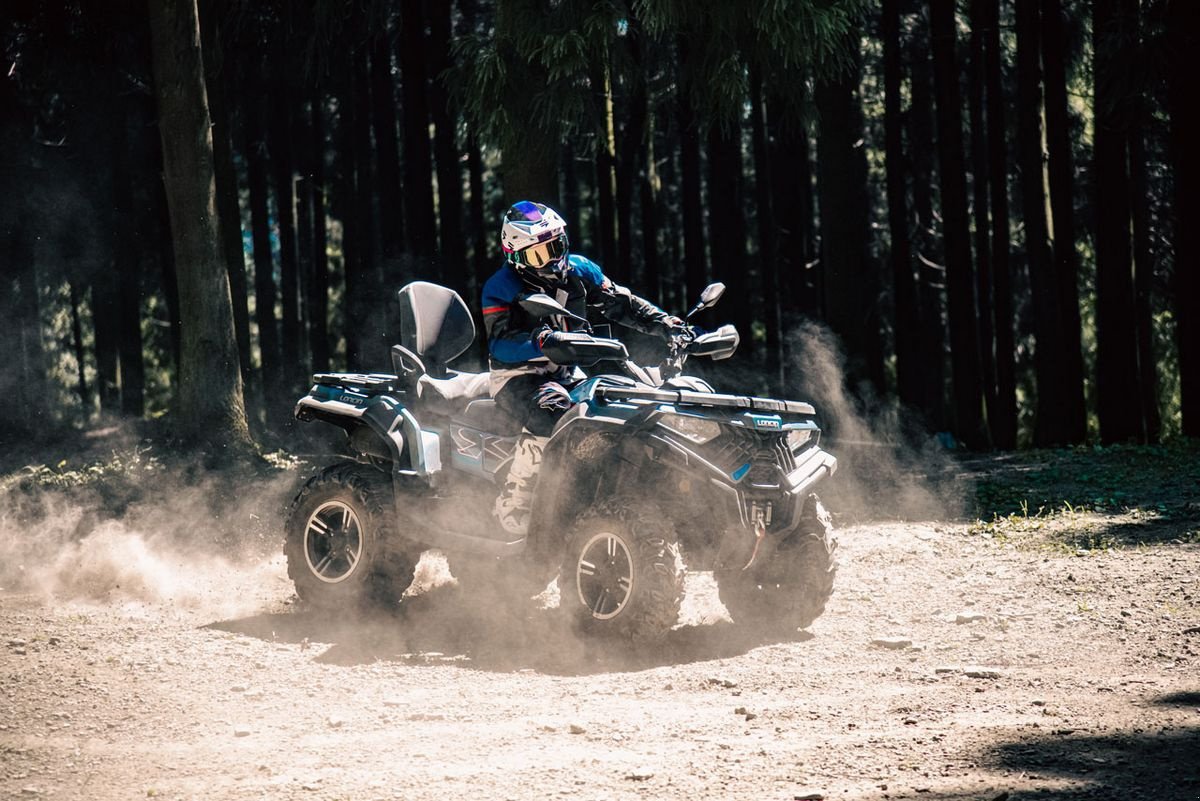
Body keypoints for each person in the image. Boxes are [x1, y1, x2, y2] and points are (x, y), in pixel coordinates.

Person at [481, 200, 688, 535]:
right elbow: (499, 343)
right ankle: (515, 498)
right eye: (539, 254)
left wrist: (665, 323)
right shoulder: (500, 287)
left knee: (626, 400)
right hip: (519, 378)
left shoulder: (580, 270)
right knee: (553, 410)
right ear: (516, 257)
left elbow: (623, 304)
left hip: (571, 371)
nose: (551, 259)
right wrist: (542, 341)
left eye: (556, 246)